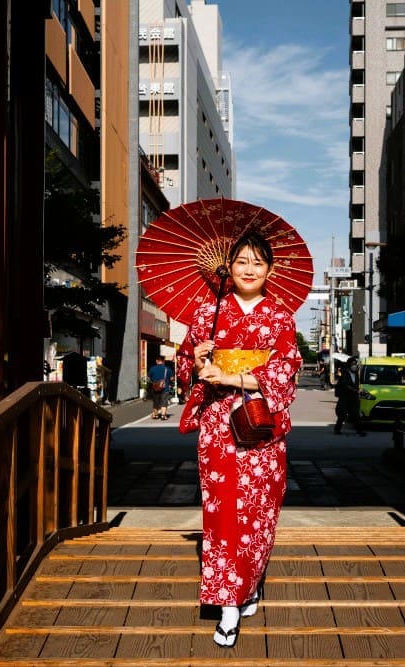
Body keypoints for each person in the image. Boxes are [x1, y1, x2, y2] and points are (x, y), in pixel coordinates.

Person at [176, 232, 302, 648]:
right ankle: (229, 607)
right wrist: (196, 360)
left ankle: (250, 582)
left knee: (260, 512)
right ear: (228, 266)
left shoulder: (280, 317)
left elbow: (285, 371)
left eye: (258, 263)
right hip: (218, 425)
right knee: (223, 512)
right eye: (242, 261)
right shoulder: (207, 311)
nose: (249, 269)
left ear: (270, 270)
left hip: (260, 424)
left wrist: (232, 375)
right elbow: (185, 364)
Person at [334, 356, 366, 436]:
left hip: (354, 397)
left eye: (355, 364)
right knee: (342, 415)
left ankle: (359, 430)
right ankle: (337, 429)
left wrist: (359, 391)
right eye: (352, 364)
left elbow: (356, 385)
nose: (354, 366)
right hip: (345, 397)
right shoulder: (345, 374)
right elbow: (345, 385)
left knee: (356, 414)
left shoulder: (356, 375)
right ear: (349, 365)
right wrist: (356, 390)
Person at [146, 355, 173, 420]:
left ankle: (155, 415)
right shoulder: (167, 369)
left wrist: (153, 382)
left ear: (156, 361)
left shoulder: (152, 368)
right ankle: (163, 415)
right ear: (163, 361)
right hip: (165, 387)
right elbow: (172, 379)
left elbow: (148, 378)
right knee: (164, 401)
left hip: (155, 388)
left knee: (156, 402)